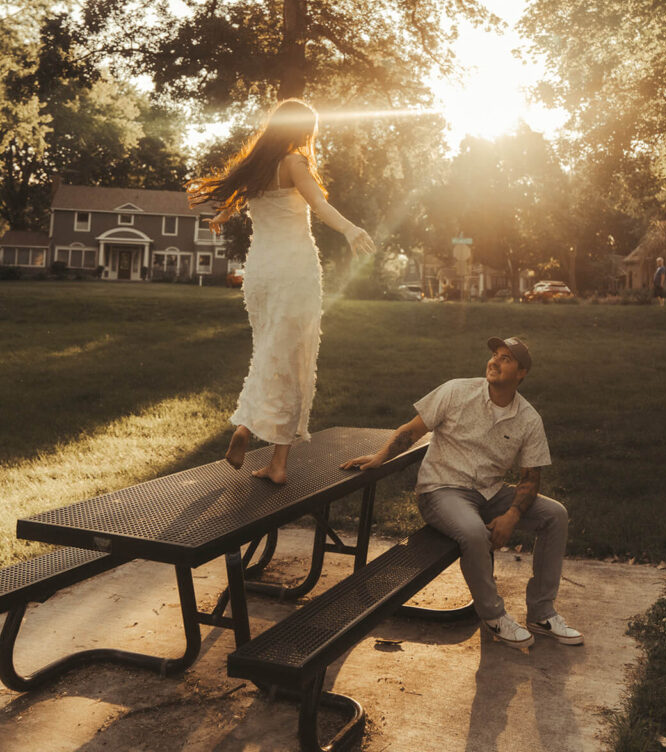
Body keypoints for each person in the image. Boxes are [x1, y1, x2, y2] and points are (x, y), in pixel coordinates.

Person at [341, 336, 583, 649]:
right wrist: (380, 456)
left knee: (555, 515)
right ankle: (494, 615)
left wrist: (511, 515)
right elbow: (412, 430)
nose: (494, 361)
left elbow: (530, 478)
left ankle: (542, 612)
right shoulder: (457, 391)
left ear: (521, 373)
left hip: (490, 493)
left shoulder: (528, 419)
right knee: (473, 532)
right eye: (494, 355)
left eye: (505, 358)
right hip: (442, 490)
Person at [186, 99, 375, 484]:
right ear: (304, 129)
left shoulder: (257, 166)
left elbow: (236, 202)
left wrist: (220, 217)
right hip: (293, 270)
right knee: (292, 358)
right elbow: (319, 203)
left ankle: (259, 442)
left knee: (270, 351)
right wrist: (351, 230)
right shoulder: (294, 162)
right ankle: (266, 450)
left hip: (260, 270)